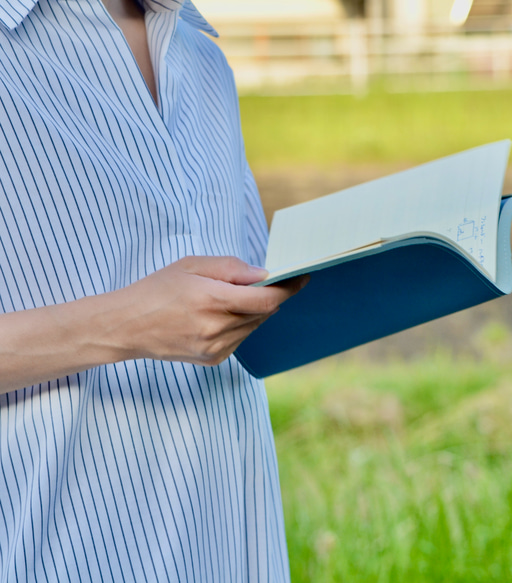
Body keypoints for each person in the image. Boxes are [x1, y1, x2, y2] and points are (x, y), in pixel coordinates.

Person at [0, 0, 305, 580]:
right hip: (50, 553)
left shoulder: (203, 56)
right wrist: (122, 325)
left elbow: (247, 297)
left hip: (232, 545)